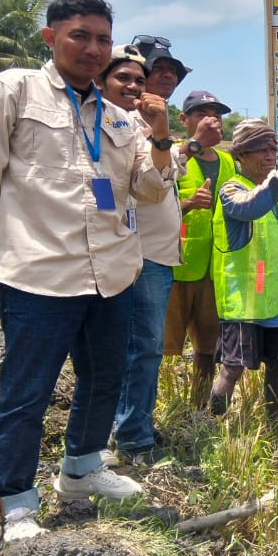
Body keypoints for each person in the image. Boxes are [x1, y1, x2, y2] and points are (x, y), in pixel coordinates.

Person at [0, 0, 178, 541]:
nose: (93, 48)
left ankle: (81, 470)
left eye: (102, 38)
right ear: (51, 37)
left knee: (104, 378)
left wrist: (164, 136)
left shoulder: (122, 122)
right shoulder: (14, 91)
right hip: (39, 274)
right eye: (80, 35)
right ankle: (14, 499)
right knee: (27, 388)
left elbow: (146, 192)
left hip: (112, 273)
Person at [96, 45, 186, 465]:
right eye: (126, 79)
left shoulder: (145, 125)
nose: (135, 85)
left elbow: (162, 181)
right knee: (139, 347)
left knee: (143, 347)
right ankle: (130, 438)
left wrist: (163, 133)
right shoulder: (110, 124)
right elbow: (143, 190)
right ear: (102, 81)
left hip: (157, 255)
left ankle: (133, 430)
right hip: (135, 253)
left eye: (139, 78)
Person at [208, 120, 278, 424]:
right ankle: (212, 423)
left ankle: (274, 426)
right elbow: (248, 208)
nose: (269, 155)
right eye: (260, 149)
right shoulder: (232, 189)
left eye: (272, 149)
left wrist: (277, 183)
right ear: (241, 154)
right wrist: (277, 181)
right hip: (245, 303)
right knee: (233, 366)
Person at [164, 89, 237, 410]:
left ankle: (199, 410)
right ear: (184, 119)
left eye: (216, 114)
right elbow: (148, 202)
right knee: (161, 347)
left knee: (208, 348)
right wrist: (189, 204)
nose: (211, 119)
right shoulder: (172, 155)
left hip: (216, 269)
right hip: (176, 267)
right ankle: (149, 412)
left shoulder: (228, 161)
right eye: (201, 113)